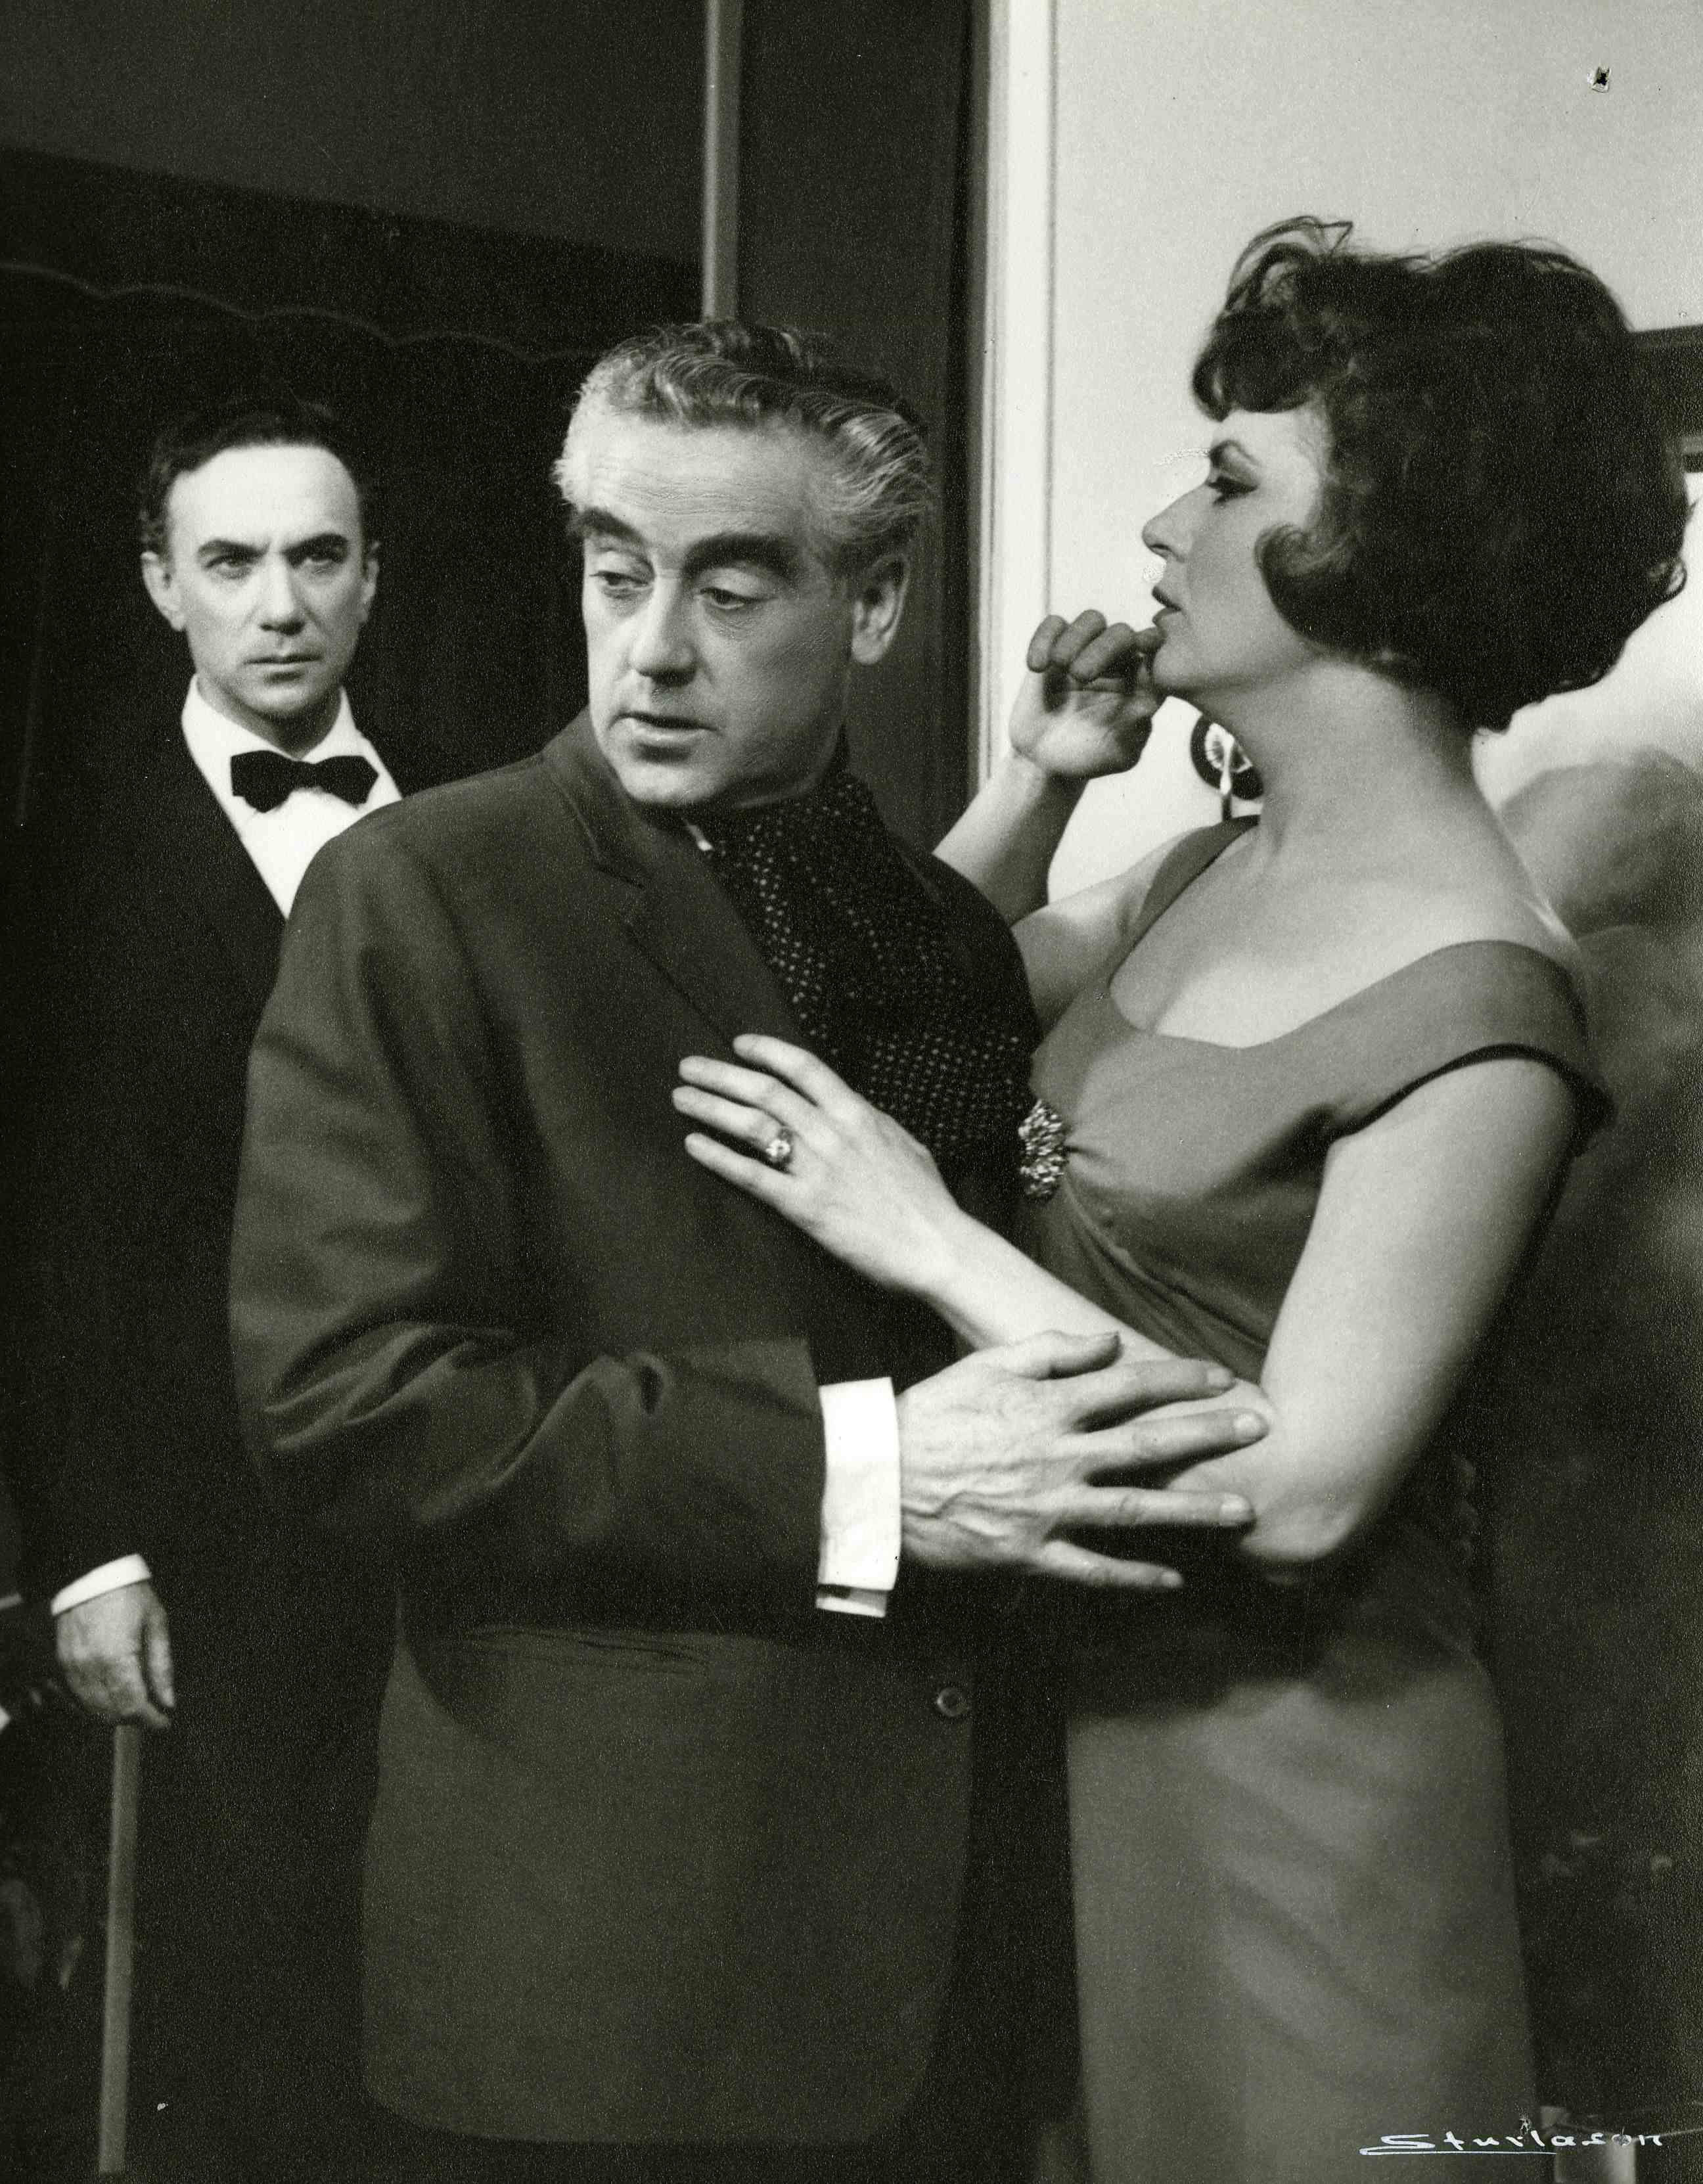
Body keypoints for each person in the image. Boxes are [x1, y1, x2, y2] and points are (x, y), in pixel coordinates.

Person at [670, 223, 1691, 2181]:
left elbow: (1301, 1491)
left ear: (1377, 547)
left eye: (1227, 480)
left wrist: (928, 1236)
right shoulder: (1211, 868)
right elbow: (908, 1008)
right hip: (1075, 1750)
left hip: (1304, 1809)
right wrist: (1044, 779)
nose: (1161, 523)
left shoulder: (1490, 999)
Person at [227, 323, 1264, 2184]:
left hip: (959, 1951)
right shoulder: (421, 890)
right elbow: (351, 1409)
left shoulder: (934, 921)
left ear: (873, 605)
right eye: (614, 571)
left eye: (727, 587)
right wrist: (870, 1473)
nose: (651, 649)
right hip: (608, 1997)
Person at [4, 393, 426, 2181]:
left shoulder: (472, 823)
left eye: (318, 558)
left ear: (372, 578)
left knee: (439, 1991)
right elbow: (41, 1225)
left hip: (451, 1501)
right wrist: (88, 1549)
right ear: (160, 583)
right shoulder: (66, 853)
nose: (280, 604)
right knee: (239, 2010)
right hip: (202, 1528)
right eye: (232, 562)